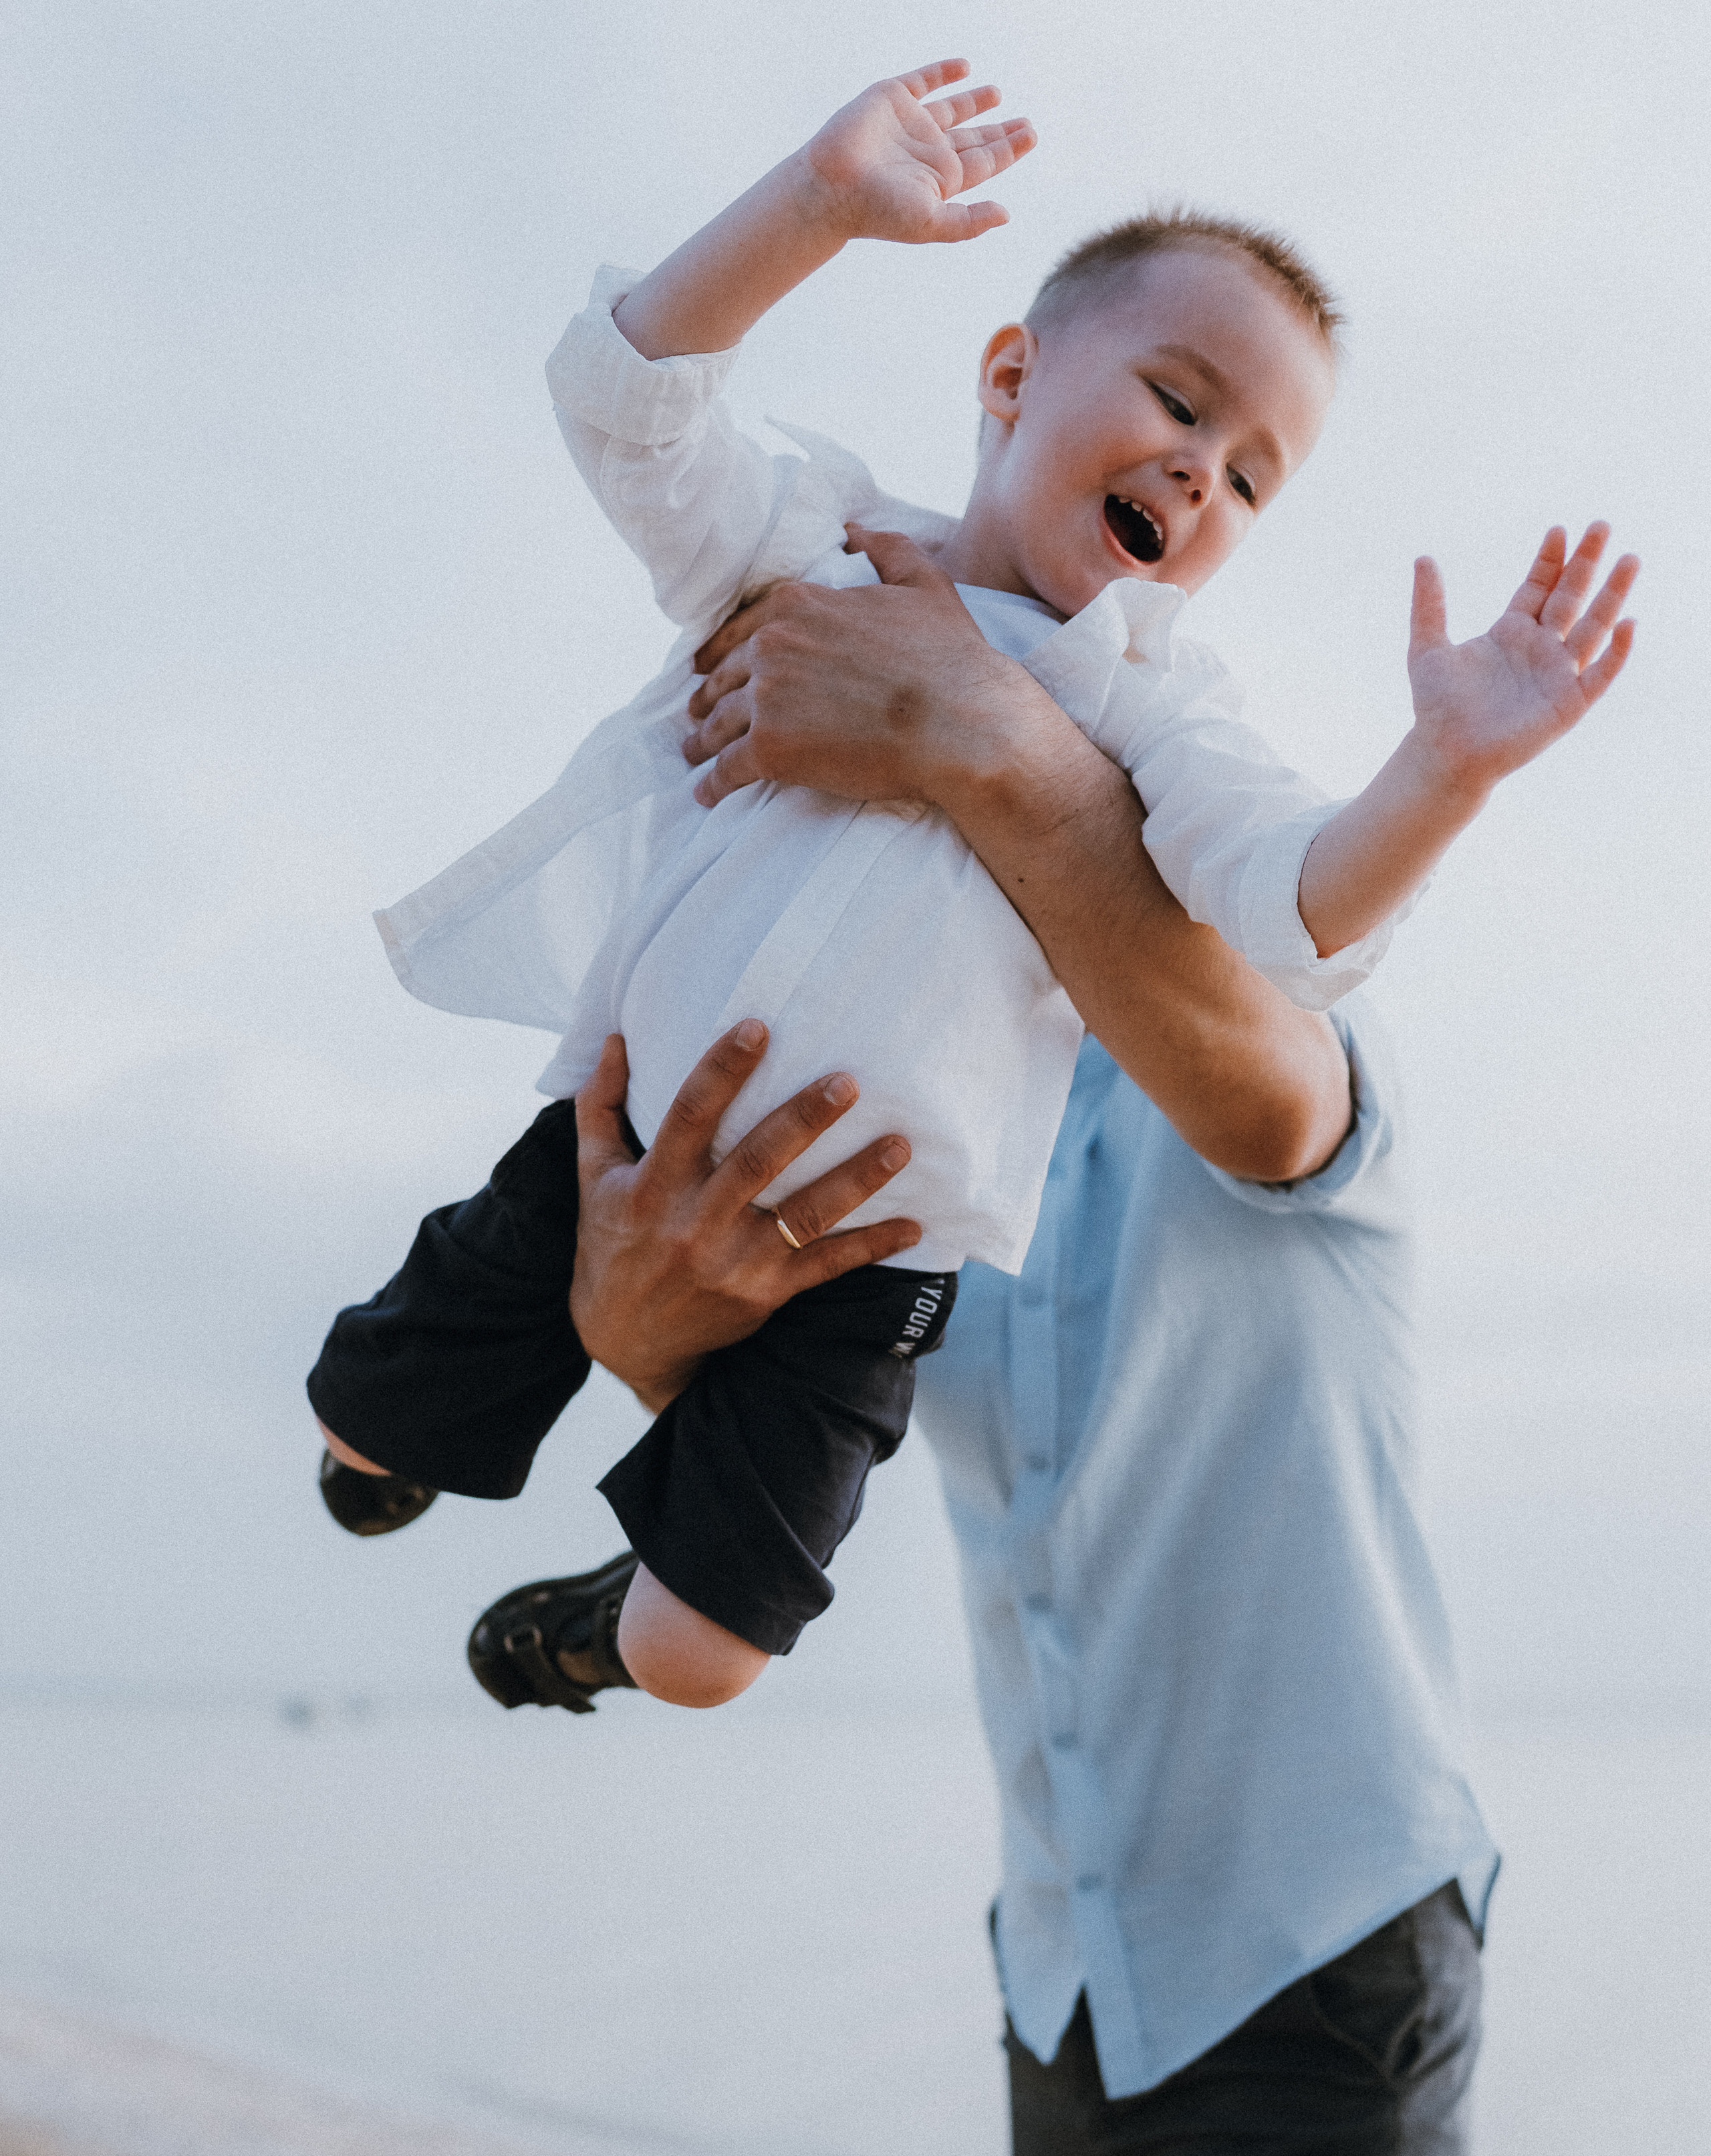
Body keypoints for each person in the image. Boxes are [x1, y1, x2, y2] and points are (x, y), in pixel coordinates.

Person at [305, 59, 1635, 1712]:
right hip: (617, 1117)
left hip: (870, 1244)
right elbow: (627, 402)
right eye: (1177, 401)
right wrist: (810, 205)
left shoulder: (1148, 717)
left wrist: (1439, 774)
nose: (1199, 475)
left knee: (700, 1656)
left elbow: (1297, 904)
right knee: (363, 1421)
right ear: (1010, 373)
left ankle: (596, 1611)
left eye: (1245, 478)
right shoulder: (816, 548)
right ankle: (392, 1454)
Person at [529, 551, 1503, 2156]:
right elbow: (768, 1463)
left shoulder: (1293, 1059)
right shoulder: (919, 1150)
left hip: (1317, 1960)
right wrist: (645, 1344)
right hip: (1067, 1980)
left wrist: (962, 714)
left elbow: (1253, 1084)